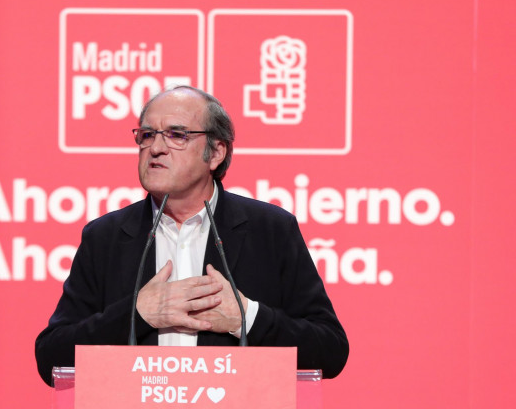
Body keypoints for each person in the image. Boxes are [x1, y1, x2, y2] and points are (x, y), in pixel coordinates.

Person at [35, 86, 348, 385]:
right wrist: (137, 314)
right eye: (146, 135)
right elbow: (51, 356)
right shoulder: (106, 237)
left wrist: (245, 317)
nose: (156, 148)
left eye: (176, 135)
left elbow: (330, 350)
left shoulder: (270, 231)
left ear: (215, 153)